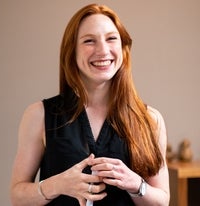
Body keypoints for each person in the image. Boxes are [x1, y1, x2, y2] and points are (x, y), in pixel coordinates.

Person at [10, 4, 169, 206]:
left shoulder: (151, 120)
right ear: (72, 52)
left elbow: (162, 201)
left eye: (111, 38)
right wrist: (58, 184)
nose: (103, 50)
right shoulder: (38, 115)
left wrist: (136, 184)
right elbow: (17, 197)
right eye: (89, 41)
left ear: (123, 48)